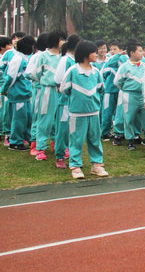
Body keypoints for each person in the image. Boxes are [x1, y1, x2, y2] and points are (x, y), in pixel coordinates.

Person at [60, 41, 108, 179]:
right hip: (77, 113)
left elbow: (101, 89)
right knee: (76, 139)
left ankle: (97, 164)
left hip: (93, 112)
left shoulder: (96, 72)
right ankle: (75, 166)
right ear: (86, 54)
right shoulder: (73, 71)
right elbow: (64, 89)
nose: (96, 54)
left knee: (95, 139)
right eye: (94, 52)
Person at [32, 31, 66, 163]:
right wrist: (45, 82)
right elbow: (36, 74)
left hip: (61, 91)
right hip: (48, 90)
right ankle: (40, 148)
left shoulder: (64, 57)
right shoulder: (43, 56)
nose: (63, 42)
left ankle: (58, 144)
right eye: (61, 39)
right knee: (45, 118)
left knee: (60, 119)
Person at [0, 35, 35, 151]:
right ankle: (15, 142)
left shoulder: (24, 58)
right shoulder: (18, 59)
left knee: (27, 118)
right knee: (19, 119)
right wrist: (4, 90)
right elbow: (10, 77)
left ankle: (29, 139)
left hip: (25, 95)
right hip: (18, 95)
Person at [115, 42, 145, 151]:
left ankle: (140, 136)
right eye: (139, 51)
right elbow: (117, 82)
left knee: (143, 118)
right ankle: (130, 140)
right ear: (132, 53)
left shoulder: (144, 66)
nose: (142, 53)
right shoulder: (124, 67)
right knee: (129, 117)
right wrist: (126, 89)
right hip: (129, 95)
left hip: (142, 95)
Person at [53, 35, 81, 161]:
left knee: (71, 128)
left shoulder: (74, 60)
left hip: (72, 100)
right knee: (62, 128)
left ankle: (68, 150)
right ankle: (59, 154)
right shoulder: (65, 60)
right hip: (64, 100)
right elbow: (58, 79)